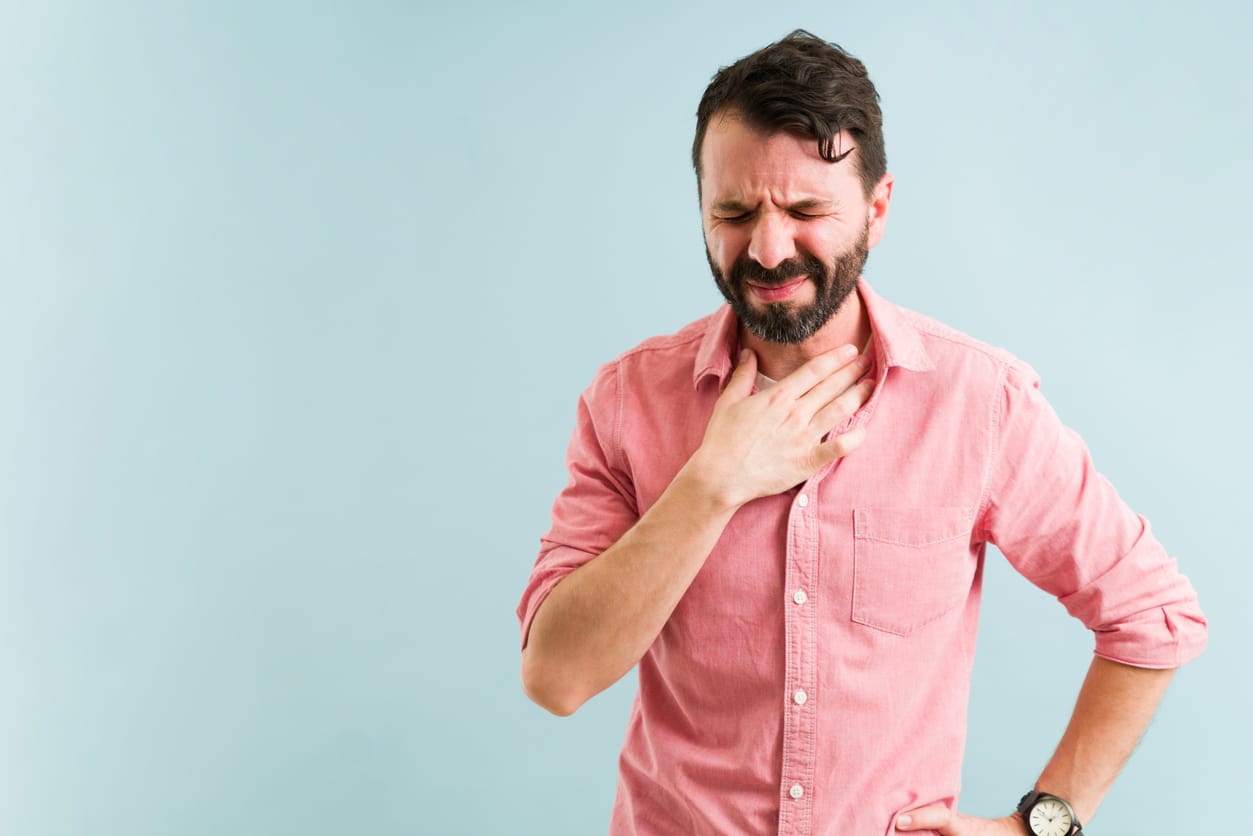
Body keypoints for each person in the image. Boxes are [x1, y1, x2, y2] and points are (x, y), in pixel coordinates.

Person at [516, 30, 1206, 836]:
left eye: (807, 210)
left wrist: (1041, 824)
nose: (768, 249)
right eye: (733, 213)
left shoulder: (977, 402)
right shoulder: (626, 401)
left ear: (876, 210)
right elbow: (556, 678)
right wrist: (713, 482)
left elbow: (1151, 616)